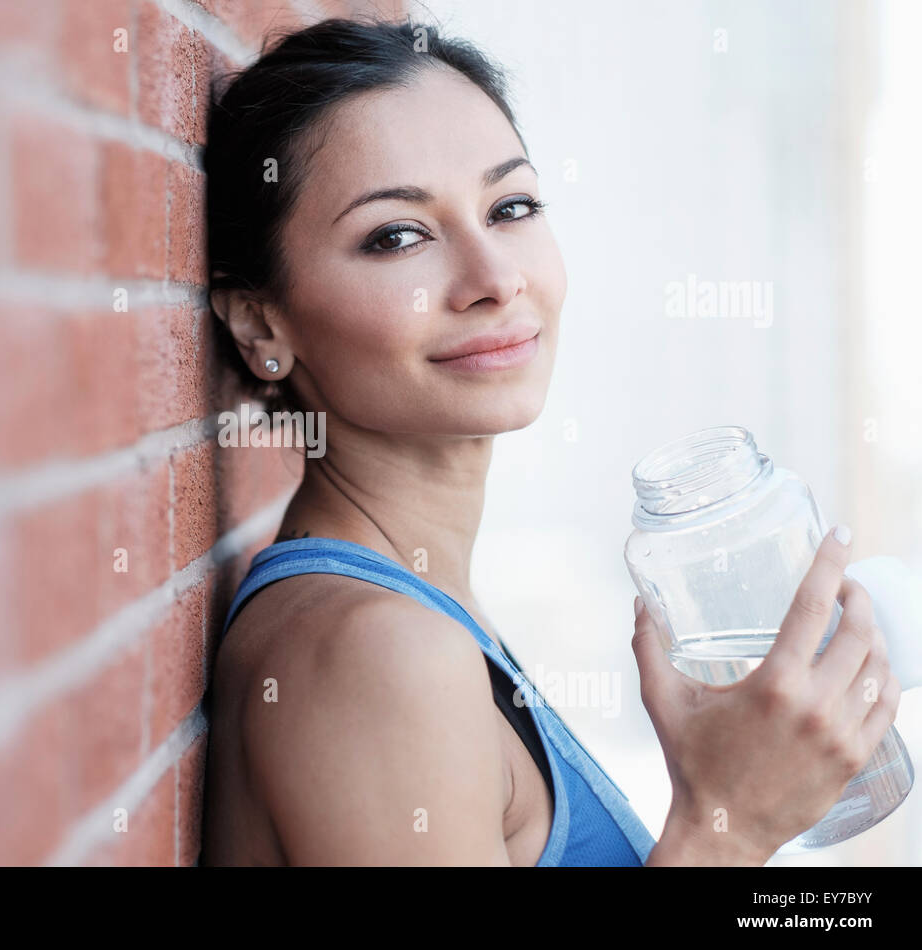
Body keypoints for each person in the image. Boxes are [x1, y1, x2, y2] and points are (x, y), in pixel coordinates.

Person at [199, 16, 901, 866]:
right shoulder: (376, 656)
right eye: (397, 235)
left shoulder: (421, 617)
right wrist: (728, 825)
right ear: (259, 322)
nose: (496, 279)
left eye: (511, 207)